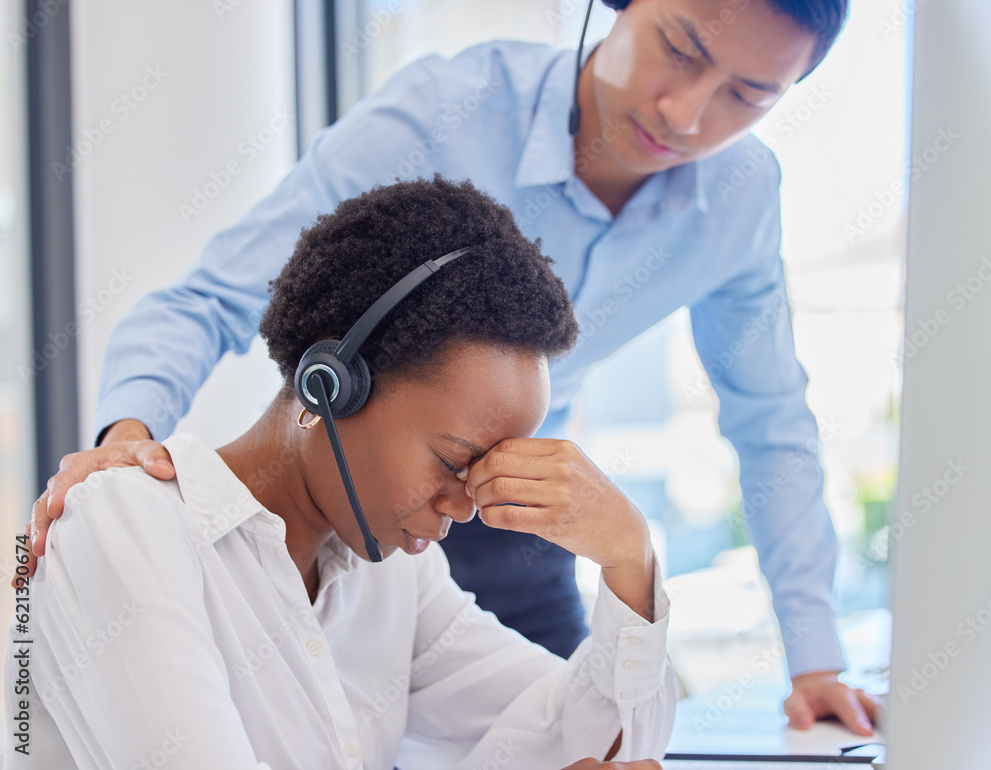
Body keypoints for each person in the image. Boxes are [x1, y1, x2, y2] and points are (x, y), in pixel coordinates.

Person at [26, 0, 880, 735]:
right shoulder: (442, 113)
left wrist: (814, 660)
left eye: (748, 95)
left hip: (514, 524)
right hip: (369, 477)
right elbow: (207, 298)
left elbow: (771, 423)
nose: (690, 114)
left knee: (571, 728)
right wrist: (126, 444)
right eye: (682, 49)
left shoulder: (740, 196)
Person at [5, 177, 676, 768]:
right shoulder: (125, 525)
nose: (466, 506)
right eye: (454, 461)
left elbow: (591, 744)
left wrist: (628, 557)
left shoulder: (392, 576)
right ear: (330, 385)